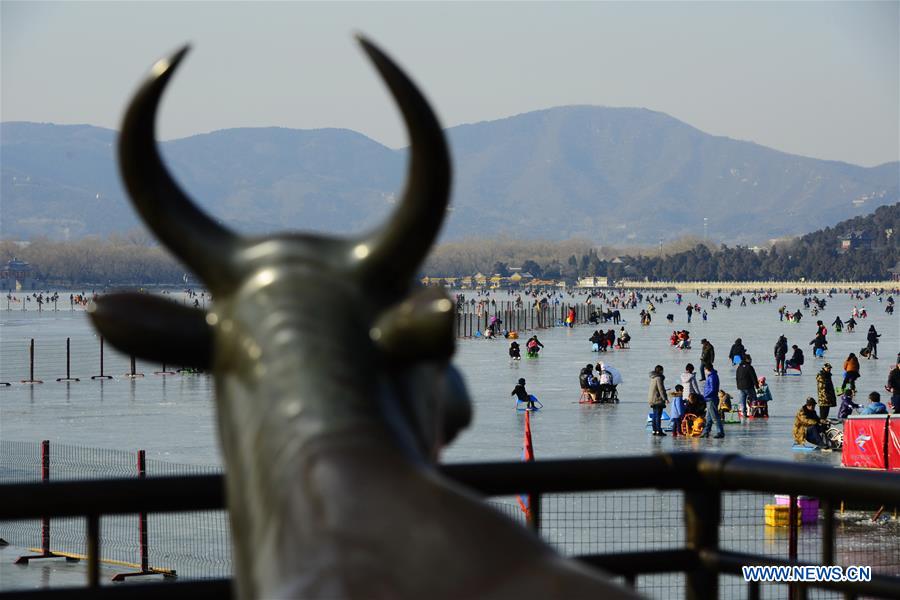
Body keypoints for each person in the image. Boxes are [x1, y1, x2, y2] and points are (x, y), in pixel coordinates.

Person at [701, 364, 724, 438]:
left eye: (705, 370)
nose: (704, 371)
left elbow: (713, 389)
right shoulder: (711, 376)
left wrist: (706, 395)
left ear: (707, 369)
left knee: (715, 417)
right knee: (708, 417)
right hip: (709, 398)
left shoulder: (712, 377)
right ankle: (706, 431)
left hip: (711, 399)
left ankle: (720, 432)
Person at [647, 365, 667, 436]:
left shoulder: (653, 378)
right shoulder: (658, 378)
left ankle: (654, 430)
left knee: (655, 415)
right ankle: (658, 430)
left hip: (652, 398)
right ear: (660, 371)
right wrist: (665, 398)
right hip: (657, 399)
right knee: (658, 415)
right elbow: (660, 389)